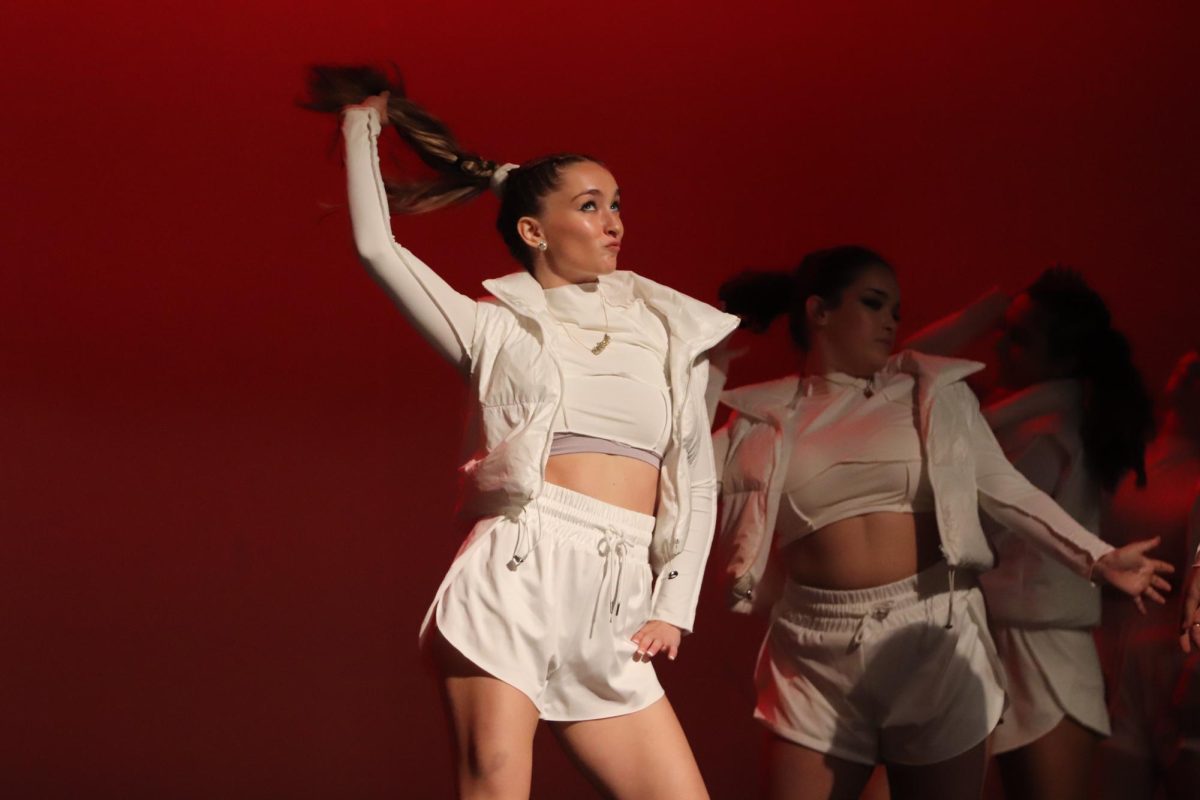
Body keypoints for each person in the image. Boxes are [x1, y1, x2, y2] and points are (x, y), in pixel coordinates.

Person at [304, 65, 736, 799]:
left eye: (617, 205)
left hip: (620, 596)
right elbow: (380, 250)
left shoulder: (670, 331)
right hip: (519, 573)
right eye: (591, 206)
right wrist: (360, 126)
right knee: (497, 789)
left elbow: (694, 476)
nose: (614, 222)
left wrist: (672, 602)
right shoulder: (494, 327)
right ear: (534, 230)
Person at [711, 246, 1173, 800]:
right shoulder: (762, 417)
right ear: (819, 311)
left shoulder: (930, 394)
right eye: (874, 304)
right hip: (813, 651)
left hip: (933, 633)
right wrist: (709, 356)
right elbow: (676, 472)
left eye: (896, 312)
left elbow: (1003, 487)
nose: (890, 322)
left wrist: (1096, 556)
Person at [904, 268, 1155, 800]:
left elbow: (968, 531)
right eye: (1002, 330)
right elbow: (896, 375)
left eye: (1018, 336)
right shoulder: (1013, 425)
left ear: (1062, 360)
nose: (999, 346)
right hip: (988, 639)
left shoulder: (1046, 436)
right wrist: (991, 306)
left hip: (1046, 654)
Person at [1093, 350, 1200, 799]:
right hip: (1106, 650)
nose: (1187, 370)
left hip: (1168, 661)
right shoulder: (1129, 456)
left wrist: (1188, 683)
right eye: (1184, 365)